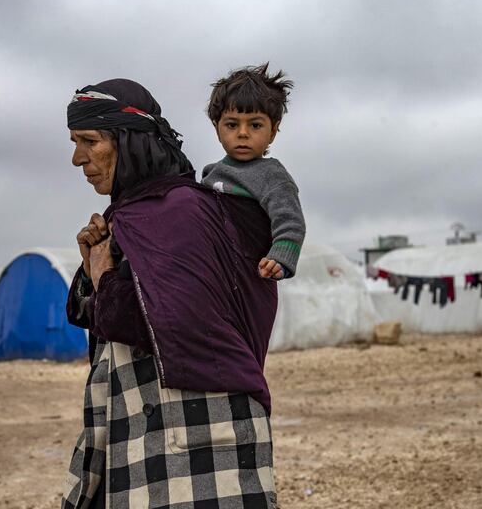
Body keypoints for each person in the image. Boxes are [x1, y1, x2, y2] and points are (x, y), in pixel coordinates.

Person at [61, 78, 280, 508]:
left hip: (195, 427)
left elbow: (167, 320)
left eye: (89, 140)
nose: (76, 158)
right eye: (75, 142)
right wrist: (94, 269)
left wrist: (105, 276)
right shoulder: (141, 212)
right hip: (147, 418)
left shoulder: (176, 210)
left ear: (127, 141)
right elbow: (106, 314)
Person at [201, 63, 305, 281]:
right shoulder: (210, 174)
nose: (243, 134)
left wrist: (279, 261)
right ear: (216, 128)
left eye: (255, 125)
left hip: (250, 278)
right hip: (213, 273)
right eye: (231, 125)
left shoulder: (272, 176)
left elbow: (291, 223)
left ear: (273, 131)